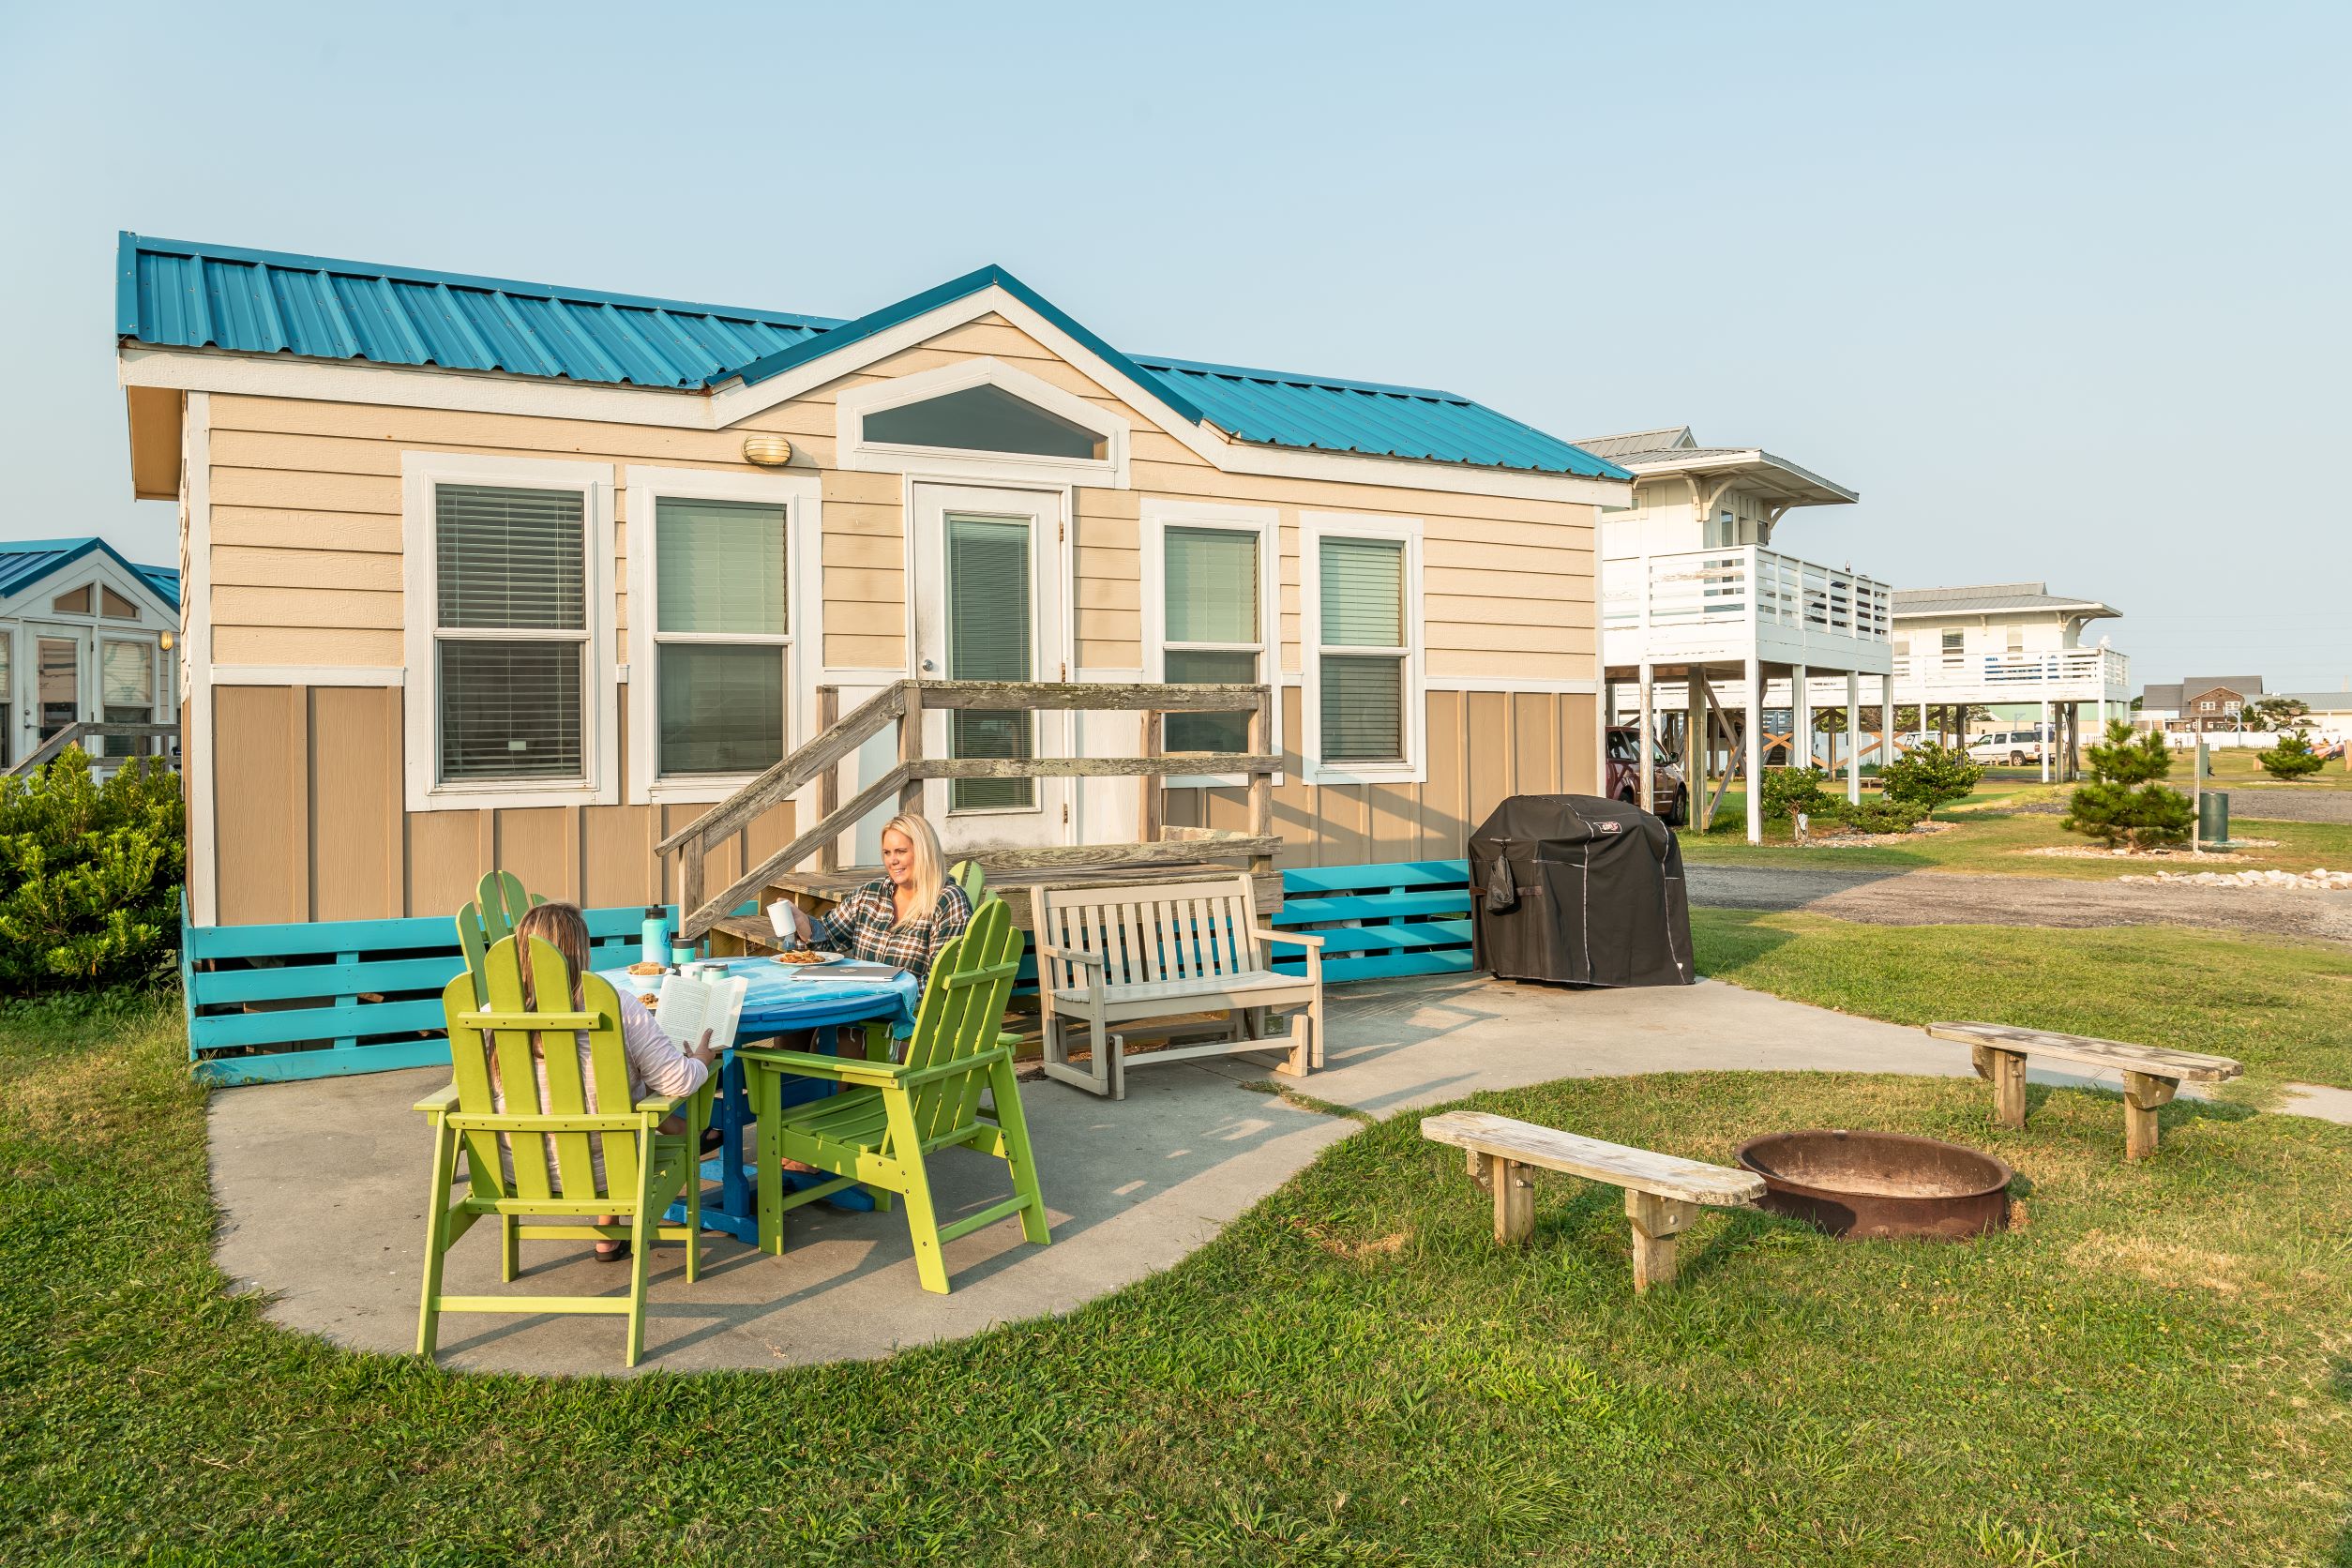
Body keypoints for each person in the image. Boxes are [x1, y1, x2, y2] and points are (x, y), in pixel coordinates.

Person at [497, 901, 720, 1262]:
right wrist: (702, 1060)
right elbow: (679, 1082)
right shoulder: (619, 1006)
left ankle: (607, 1236)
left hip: (518, 1171)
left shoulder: (491, 1014)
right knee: (620, 1088)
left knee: (601, 1088)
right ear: (580, 952)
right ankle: (682, 1133)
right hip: (608, 1171)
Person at [777, 813, 972, 982]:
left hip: (909, 1009)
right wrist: (802, 923)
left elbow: (940, 980)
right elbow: (828, 938)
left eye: (901, 851)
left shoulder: (947, 901)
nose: (892, 860)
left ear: (924, 852)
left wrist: (889, 993)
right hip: (861, 999)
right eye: (887, 853)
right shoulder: (871, 894)